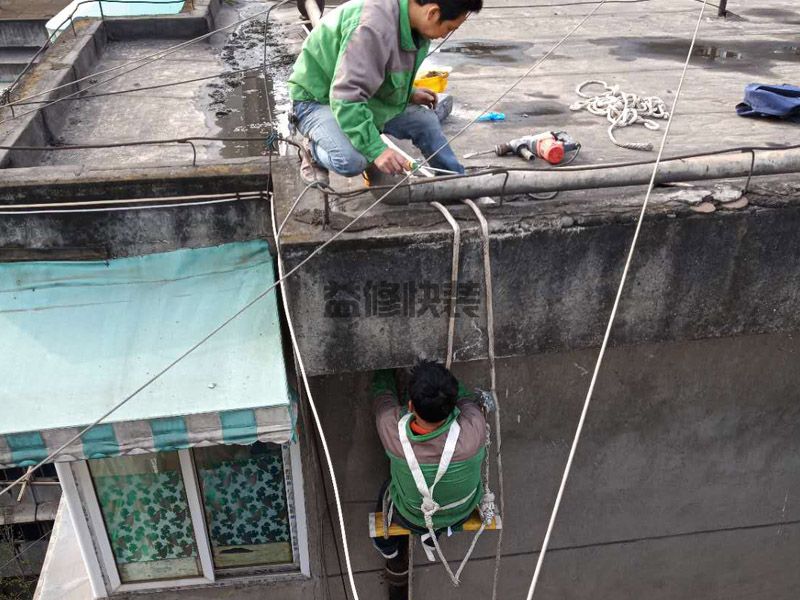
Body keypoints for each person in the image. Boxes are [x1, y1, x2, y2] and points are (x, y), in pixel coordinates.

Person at [287, 0, 483, 184]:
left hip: (358, 96)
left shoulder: (415, 24)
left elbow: (379, 68)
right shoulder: (372, 28)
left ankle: (453, 179)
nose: (445, 35)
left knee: (425, 121)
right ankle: (313, 150)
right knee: (352, 160)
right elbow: (346, 98)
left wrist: (409, 92)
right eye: (449, 28)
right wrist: (378, 151)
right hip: (316, 100)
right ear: (432, 13)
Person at [372, 360, 488, 586]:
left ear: (410, 406)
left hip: (412, 517)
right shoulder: (474, 427)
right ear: (452, 406)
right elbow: (467, 400)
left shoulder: (390, 427)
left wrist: (384, 364)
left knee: (388, 488)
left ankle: (387, 547)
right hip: (460, 513)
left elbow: (382, 396)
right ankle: (432, 538)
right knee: (445, 492)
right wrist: (444, 382)